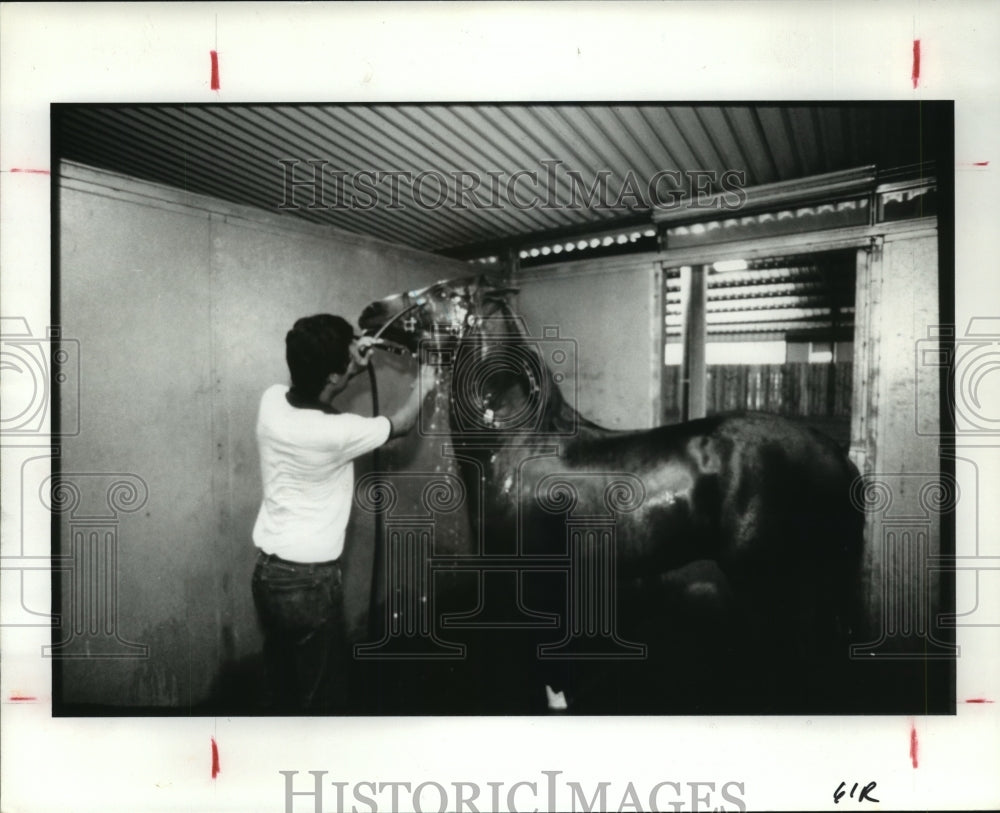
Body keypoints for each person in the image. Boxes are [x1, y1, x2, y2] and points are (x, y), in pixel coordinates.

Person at [251, 313, 434, 713]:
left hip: (268, 576)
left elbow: (319, 393)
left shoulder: (271, 400)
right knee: (323, 697)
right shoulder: (336, 433)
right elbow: (400, 424)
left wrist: (348, 367)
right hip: (310, 585)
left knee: (283, 685)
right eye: (348, 354)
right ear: (333, 375)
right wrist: (425, 383)